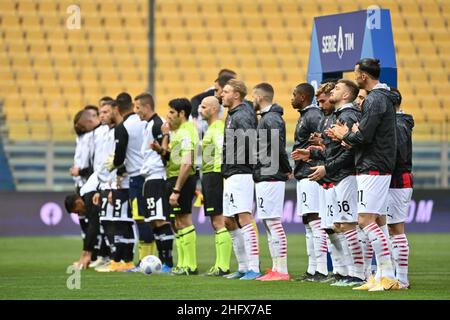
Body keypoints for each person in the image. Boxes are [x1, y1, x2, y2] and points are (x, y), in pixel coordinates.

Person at [329, 58, 401, 291]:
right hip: (375, 163)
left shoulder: (375, 100)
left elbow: (363, 137)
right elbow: (363, 136)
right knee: (378, 221)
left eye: (356, 73)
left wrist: (344, 135)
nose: (354, 76)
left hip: (373, 166)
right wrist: (353, 136)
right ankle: (380, 275)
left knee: (365, 220)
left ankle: (387, 274)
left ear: (363, 77)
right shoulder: (380, 99)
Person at [106, 92, 156, 268]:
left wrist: (115, 167)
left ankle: (143, 261)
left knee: (140, 219)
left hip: (136, 178)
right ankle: (153, 259)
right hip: (153, 175)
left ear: (117, 109)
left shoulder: (123, 127)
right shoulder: (148, 123)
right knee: (154, 218)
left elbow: (119, 158)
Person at [220, 79, 260, 280]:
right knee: (228, 220)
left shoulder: (243, 114)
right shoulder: (232, 114)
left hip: (241, 172)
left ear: (236, 95)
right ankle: (243, 267)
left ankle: (253, 267)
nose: (222, 94)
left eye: (225, 91)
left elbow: (251, 142)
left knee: (244, 217)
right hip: (230, 172)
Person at [251, 83, 292, 281]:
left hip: (271, 174)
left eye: (253, 97)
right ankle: (276, 267)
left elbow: (278, 146)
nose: (252, 100)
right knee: (268, 222)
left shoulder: (272, 119)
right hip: (264, 174)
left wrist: (286, 168)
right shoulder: (267, 118)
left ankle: (282, 270)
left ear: (259, 97)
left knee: (274, 222)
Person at [154, 98, 200, 275]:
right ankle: (183, 264)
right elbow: (168, 156)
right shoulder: (179, 131)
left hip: (182, 180)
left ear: (182, 114)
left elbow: (187, 163)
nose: (168, 115)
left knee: (184, 219)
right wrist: (163, 139)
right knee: (177, 222)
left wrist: (177, 189)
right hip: (173, 178)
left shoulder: (188, 131)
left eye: (172, 112)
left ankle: (191, 265)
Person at [135, 92, 175, 273]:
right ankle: (163, 259)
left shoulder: (157, 125)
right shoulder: (149, 125)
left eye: (138, 108)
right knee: (153, 221)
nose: (137, 112)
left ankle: (168, 262)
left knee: (160, 220)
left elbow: (165, 153)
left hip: (158, 177)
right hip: (149, 178)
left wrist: (161, 149)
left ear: (146, 107)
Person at [290, 83, 326, 282]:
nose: (292, 98)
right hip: (303, 174)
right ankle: (312, 269)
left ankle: (320, 270)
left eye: (294, 94)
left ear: (302, 96)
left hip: (311, 173)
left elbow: (323, 140)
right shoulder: (305, 114)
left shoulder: (313, 115)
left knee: (314, 220)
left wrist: (317, 160)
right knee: (308, 221)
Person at [198, 96, 232, 276]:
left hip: (216, 175)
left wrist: (222, 177)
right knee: (215, 221)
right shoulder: (211, 128)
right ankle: (219, 264)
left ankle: (223, 266)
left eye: (203, 107)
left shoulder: (218, 127)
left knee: (219, 221)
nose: (199, 110)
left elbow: (221, 151)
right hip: (210, 176)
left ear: (212, 109)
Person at [386, 88, 413, 290]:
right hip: (394, 178)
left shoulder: (398, 124)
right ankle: (397, 277)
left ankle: (402, 280)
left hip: (397, 179)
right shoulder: (397, 123)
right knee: (390, 228)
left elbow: (399, 155)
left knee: (396, 228)